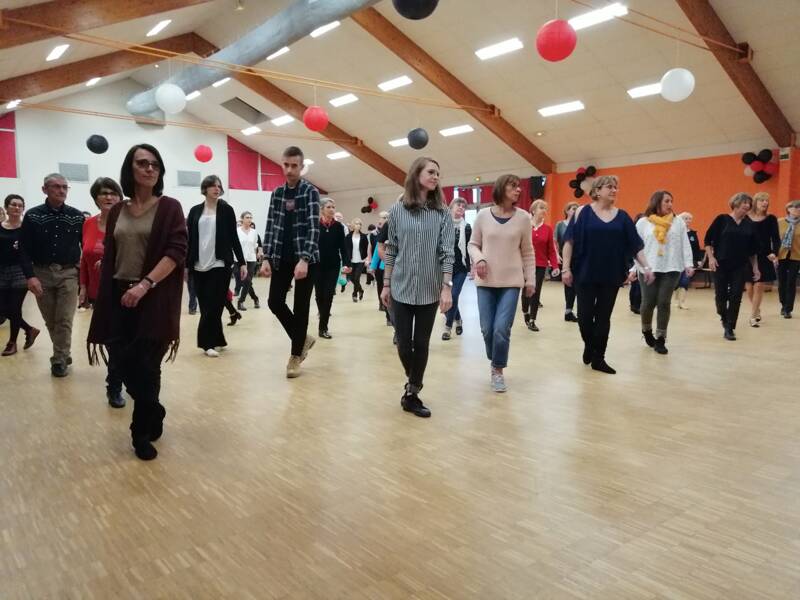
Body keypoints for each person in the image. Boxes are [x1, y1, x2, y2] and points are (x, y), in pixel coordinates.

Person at [87, 143, 187, 461]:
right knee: (122, 362)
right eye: (142, 163)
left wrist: (145, 284)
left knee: (148, 366)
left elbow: (176, 251)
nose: (149, 168)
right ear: (130, 169)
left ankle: (140, 433)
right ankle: (154, 410)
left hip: (154, 298)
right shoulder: (118, 210)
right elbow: (113, 246)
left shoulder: (170, 207)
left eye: (154, 164)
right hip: (117, 297)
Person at [382, 157, 454, 417]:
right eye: (431, 172)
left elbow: (448, 253)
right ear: (416, 175)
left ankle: (412, 392)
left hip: (428, 289)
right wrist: (386, 284)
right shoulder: (398, 209)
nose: (436, 177)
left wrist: (446, 287)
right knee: (403, 343)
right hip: (400, 286)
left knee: (421, 343)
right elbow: (392, 249)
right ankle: (414, 382)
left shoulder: (443, 213)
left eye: (438, 173)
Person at [562, 176, 654, 374]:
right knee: (585, 317)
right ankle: (589, 345)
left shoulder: (622, 216)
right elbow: (569, 241)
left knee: (603, 317)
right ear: (597, 190)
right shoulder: (582, 212)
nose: (614, 190)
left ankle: (599, 358)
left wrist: (646, 267)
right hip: (584, 272)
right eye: (609, 187)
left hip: (611, 274)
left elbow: (635, 245)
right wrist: (566, 268)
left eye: (616, 187)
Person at [468, 175, 535, 392]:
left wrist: (530, 279)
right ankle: (495, 356)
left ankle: (497, 369)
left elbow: (527, 252)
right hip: (485, 281)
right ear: (501, 188)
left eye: (518, 187)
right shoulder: (482, 216)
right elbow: (473, 244)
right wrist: (479, 258)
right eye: (512, 186)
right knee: (487, 329)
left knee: (501, 329)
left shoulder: (524, 218)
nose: (518, 190)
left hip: (511, 282)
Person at [261, 146, 320, 378]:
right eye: (286, 164)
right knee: (274, 301)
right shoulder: (277, 193)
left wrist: (304, 259)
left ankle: (296, 355)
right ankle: (303, 338)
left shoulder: (310, 192)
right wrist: (266, 256)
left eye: (294, 165)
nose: (289, 169)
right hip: (280, 258)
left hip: (306, 260)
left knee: (301, 307)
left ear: (301, 166)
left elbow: (314, 228)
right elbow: (269, 225)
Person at [19, 173, 84, 377]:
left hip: (69, 273)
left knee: (64, 318)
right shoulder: (32, 216)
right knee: (51, 319)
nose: (61, 190)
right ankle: (64, 352)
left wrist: (85, 277)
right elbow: (23, 249)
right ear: (44, 189)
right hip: (41, 273)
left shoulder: (76, 216)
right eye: (56, 186)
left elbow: (86, 245)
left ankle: (59, 359)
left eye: (65, 187)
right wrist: (30, 276)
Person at [187, 175, 246, 357]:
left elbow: (233, 238)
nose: (216, 188)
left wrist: (242, 262)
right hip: (198, 264)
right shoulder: (195, 211)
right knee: (205, 305)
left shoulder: (226, 210)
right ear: (205, 189)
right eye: (212, 185)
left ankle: (206, 343)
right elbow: (189, 240)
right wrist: (186, 265)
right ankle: (218, 339)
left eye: (219, 186)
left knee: (215, 304)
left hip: (220, 262)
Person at [79, 178, 126, 407]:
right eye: (103, 193)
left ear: (120, 197)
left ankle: (121, 381)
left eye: (113, 193)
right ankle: (115, 383)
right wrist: (83, 287)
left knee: (123, 340)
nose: (108, 197)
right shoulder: (88, 223)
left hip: (125, 290)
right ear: (96, 197)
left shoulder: (127, 223)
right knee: (112, 340)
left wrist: (110, 263)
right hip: (99, 293)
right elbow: (85, 258)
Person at [633, 191, 694, 355]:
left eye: (671, 201)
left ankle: (661, 338)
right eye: (667, 201)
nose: (670, 204)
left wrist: (689, 264)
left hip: (672, 268)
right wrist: (633, 269)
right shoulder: (643, 222)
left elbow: (685, 244)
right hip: (648, 268)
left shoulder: (678, 222)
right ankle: (646, 331)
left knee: (664, 303)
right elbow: (635, 247)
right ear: (656, 202)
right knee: (648, 303)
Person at [704, 192, 760, 341]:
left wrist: (755, 268)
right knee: (721, 297)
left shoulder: (749, 225)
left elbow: (753, 251)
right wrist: (711, 258)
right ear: (735, 204)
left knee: (736, 296)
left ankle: (730, 328)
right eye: (744, 203)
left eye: (749, 204)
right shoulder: (721, 220)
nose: (747, 206)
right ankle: (723, 316)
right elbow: (708, 240)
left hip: (740, 265)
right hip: (720, 264)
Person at [0, 195, 40, 356]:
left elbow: (34, 250)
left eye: (20, 205)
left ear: (23, 209)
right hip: (1, 270)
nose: (17, 208)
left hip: (20, 271)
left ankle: (12, 342)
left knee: (14, 308)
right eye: (13, 205)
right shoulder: (1, 226)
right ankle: (29, 329)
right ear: (7, 207)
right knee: (3, 308)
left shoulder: (26, 228)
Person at [522, 199, 559, 332]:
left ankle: (532, 319)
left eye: (545, 208)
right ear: (533, 210)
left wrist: (555, 266)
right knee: (526, 290)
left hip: (540, 264)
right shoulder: (525, 226)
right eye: (541, 208)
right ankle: (525, 312)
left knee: (535, 291)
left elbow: (551, 250)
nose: (544, 210)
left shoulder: (548, 229)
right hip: (525, 264)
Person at [744, 192, 780, 327]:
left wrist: (774, 252)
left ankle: (753, 315)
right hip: (747, 255)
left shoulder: (771, 219)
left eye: (767, 200)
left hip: (764, 255)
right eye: (762, 200)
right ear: (755, 202)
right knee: (749, 286)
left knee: (759, 285)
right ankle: (757, 309)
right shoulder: (746, 218)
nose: (765, 203)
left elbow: (775, 238)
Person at [315, 198, 348, 339]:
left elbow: (343, 247)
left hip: (333, 266)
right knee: (319, 296)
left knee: (328, 295)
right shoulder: (315, 225)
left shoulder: (339, 227)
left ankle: (323, 327)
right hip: (316, 265)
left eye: (333, 207)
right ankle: (322, 314)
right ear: (322, 209)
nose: (332, 209)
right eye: (329, 207)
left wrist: (347, 263)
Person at [442, 197, 471, 340]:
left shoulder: (467, 227)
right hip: (445, 268)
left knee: (453, 296)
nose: (461, 208)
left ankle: (447, 327)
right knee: (449, 298)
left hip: (461, 268)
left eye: (463, 206)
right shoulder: (443, 225)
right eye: (458, 205)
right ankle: (458, 320)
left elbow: (470, 248)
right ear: (451, 207)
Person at [674, 212, 704, 309]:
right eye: (685, 218)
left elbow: (696, 248)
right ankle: (676, 301)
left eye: (689, 219)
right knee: (676, 281)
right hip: (676, 261)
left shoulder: (693, 233)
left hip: (689, 261)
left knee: (685, 281)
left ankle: (682, 302)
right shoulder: (675, 232)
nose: (688, 221)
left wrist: (699, 260)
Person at [555, 202, 579, 322]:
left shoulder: (579, 224)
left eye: (576, 208)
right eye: (573, 208)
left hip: (579, 257)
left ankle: (579, 310)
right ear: (567, 210)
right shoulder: (560, 225)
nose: (575, 210)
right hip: (565, 257)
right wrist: (556, 255)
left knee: (578, 284)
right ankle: (568, 311)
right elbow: (555, 241)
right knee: (569, 284)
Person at [777, 199, 800, 318]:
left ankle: (788, 309)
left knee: (791, 282)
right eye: (795, 207)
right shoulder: (779, 222)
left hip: (796, 256)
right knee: (782, 281)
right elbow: (774, 240)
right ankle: (783, 304)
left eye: (799, 208)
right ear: (789, 209)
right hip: (781, 255)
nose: (798, 210)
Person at [236, 211, 261, 311]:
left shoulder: (254, 232)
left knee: (247, 280)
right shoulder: (237, 231)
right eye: (247, 217)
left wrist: (258, 253)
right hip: (239, 259)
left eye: (251, 217)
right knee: (246, 281)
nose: (249, 219)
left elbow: (255, 245)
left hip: (251, 259)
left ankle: (240, 301)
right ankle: (255, 298)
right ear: (242, 219)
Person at [344, 217, 368, 302]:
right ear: (353, 225)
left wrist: (367, 259)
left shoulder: (364, 236)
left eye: (360, 224)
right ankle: (361, 290)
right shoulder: (348, 236)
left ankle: (354, 294)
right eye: (357, 223)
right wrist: (346, 261)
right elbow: (345, 249)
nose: (358, 225)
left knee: (357, 278)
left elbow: (366, 248)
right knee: (351, 278)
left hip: (361, 260)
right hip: (351, 260)